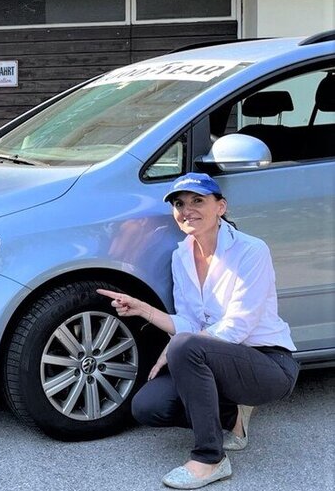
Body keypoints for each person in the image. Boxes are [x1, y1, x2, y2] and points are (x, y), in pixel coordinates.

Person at [97, 172, 299, 490]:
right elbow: (190, 321)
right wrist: (143, 309)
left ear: (221, 207)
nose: (186, 209)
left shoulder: (251, 250)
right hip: (216, 359)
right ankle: (232, 415)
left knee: (183, 347)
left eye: (197, 201)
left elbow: (239, 326)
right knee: (147, 406)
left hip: (268, 363)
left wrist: (180, 344)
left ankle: (210, 458)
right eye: (179, 203)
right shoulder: (181, 256)